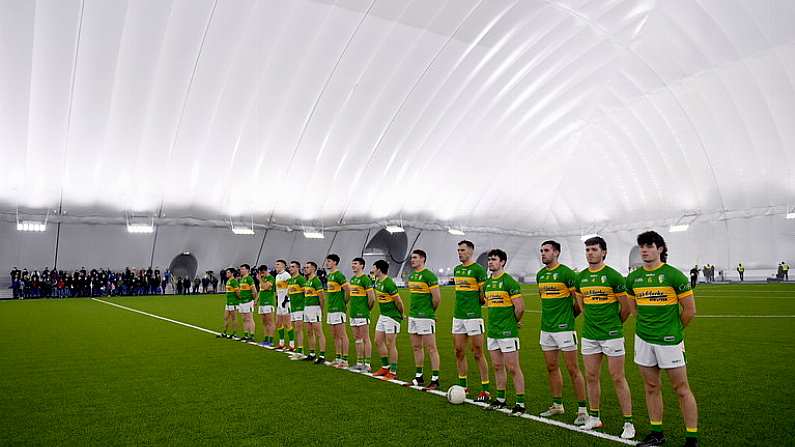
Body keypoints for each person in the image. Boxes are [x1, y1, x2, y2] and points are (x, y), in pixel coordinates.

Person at [626, 231, 699, 447]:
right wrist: (648, 328)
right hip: (643, 339)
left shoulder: (674, 276)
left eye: (649, 246)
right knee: (651, 386)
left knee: (681, 388)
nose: (645, 250)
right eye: (642, 247)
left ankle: (691, 439)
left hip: (669, 341)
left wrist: (674, 331)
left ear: (660, 249)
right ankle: (657, 433)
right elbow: (634, 310)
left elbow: (689, 311)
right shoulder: (633, 278)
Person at [575, 237, 635, 439]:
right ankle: (594, 417)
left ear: (604, 252)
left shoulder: (613, 277)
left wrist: (614, 325)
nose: (590, 253)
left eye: (594, 249)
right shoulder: (581, 277)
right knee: (591, 377)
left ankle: (628, 422)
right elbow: (581, 304)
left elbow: (625, 308)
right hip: (590, 335)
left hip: (611, 335)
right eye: (587, 250)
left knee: (618, 377)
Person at [536, 240, 588, 425]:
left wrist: (568, 318)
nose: (543, 253)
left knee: (573, 369)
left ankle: (582, 410)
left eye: (547, 250)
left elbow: (578, 302)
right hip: (546, 329)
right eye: (541, 250)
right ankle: (557, 405)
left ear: (556, 252)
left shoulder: (567, 273)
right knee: (551, 367)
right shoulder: (540, 275)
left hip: (564, 329)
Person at [482, 249, 526, 415]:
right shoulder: (487, 284)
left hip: (507, 332)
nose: (490, 262)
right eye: (489, 260)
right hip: (493, 332)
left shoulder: (509, 282)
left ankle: (520, 403)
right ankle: (500, 400)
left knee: (513, 368)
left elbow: (520, 307)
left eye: (494, 260)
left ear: (502, 262)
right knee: (497, 366)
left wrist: (512, 323)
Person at [452, 240, 491, 402]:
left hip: (473, 317)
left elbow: (484, 296)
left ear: (470, 252)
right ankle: (463, 386)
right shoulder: (457, 270)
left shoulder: (478, 270)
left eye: (462, 250)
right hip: (458, 316)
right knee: (459, 351)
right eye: (458, 250)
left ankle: (486, 390)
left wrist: (477, 304)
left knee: (477, 353)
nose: (459, 253)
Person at [407, 249, 442, 390]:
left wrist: (429, 313)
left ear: (422, 259)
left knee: (431, 348)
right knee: (416, 347)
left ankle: (435, 378)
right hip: (413, 316)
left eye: (415, 257)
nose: (412, 260)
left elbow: (437, 298)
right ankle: (419, 376)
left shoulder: (429, 276)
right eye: (412, 258)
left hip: (425, 317)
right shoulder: (412, 276)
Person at [372, 260, 404, 380]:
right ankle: (385, 366)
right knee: (378, 341)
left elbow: (399, 302)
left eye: (374, 268)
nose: (373, 270)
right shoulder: (377, 281)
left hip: (392, 317)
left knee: (391, 343)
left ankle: (393, 371)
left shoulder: (389, 283)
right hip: (383, 315)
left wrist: (401, 314)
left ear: (379, 269)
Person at [348, 257, 375, 372]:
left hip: (362, 313)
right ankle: (359, 362)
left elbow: (372, 298)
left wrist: (366, 309)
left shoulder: (365, 279)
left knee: (365, 338)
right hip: (353, 313)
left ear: (362, 266)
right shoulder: (353, 279)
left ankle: (368, 364)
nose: (353, 265)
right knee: (357, 339)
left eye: (355, 263)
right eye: (352, 263)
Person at [324, 254, 350, 368]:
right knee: (335, 335)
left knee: (342, 335)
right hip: (331, 309)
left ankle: (345, 360)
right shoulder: (330, 275)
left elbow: (348, 290)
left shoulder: (339, 275)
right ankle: (338, 358)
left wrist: (344, 302)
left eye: (329, 261)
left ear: (335, 262)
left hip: (338, 308)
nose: (327, 263)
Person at [303, 261, 327, 364]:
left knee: (318, 332)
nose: (305, 269)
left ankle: (322, 355)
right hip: (307, 308)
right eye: (305, 267)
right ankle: (312, 353)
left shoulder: (316, 281)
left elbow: (322, 298)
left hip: (315, 308)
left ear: (313, 269)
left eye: (307, 267)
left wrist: (321, 310)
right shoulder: (307, 281)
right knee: (309, 331)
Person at [287, 261, 308, 360]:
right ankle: (298, 350)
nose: (290, 268)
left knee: (299, 329)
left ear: (297, 268)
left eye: (293, 267)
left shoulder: (301, 279)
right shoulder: (291, 280)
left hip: (300, 308)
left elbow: (306, 293)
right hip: (293, 307)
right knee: (296, 329)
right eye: (290, 267)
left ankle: (301, 351)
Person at [273, 260, 294, 351]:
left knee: (287, 323)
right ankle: (281, 343)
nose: (276, 266)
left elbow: (290, 287)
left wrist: (286, 298)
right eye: (276, 265)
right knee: (278, 323)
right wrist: (277, 300)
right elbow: (278, 290)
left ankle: (292, 345)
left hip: (286, 303)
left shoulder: (286, 275)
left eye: (278, 265)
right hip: (279, 303)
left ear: (283, 266)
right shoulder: (277, 276)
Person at [256, 265, 276, 348]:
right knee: (264, 322)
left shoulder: (271, 278)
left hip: (269, 302)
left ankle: (271, 340)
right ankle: (266, 338)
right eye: (260, 272)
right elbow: (261, 290)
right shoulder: (263, 279)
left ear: (266, 271)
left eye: (262, 272)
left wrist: (260, 279)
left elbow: (266, 287)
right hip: (262, 303)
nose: (261, 274)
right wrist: (256, 299)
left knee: (270, 322)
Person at [236, 264, 257, 342]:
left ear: (247, 270)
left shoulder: (249, 279)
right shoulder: (241, 279)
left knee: (249, 318)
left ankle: (252, 335)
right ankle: (246, 335)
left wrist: (254, 300)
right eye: (240, 269)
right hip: (241, 302)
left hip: (248, 301)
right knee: (244, 319)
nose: (241, 270)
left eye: (243, 269)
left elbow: (254, 291)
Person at [217, 268, 239, 339]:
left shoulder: (234, 281)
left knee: (234, 318)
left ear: (232, 273)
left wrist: (238, 300)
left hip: (233, 303)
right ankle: (224, 332)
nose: (227, 274)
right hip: (228, 302)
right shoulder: (228, 281)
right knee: (225, 317)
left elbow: (238, 293)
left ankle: (234, 333)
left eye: (228, 272)